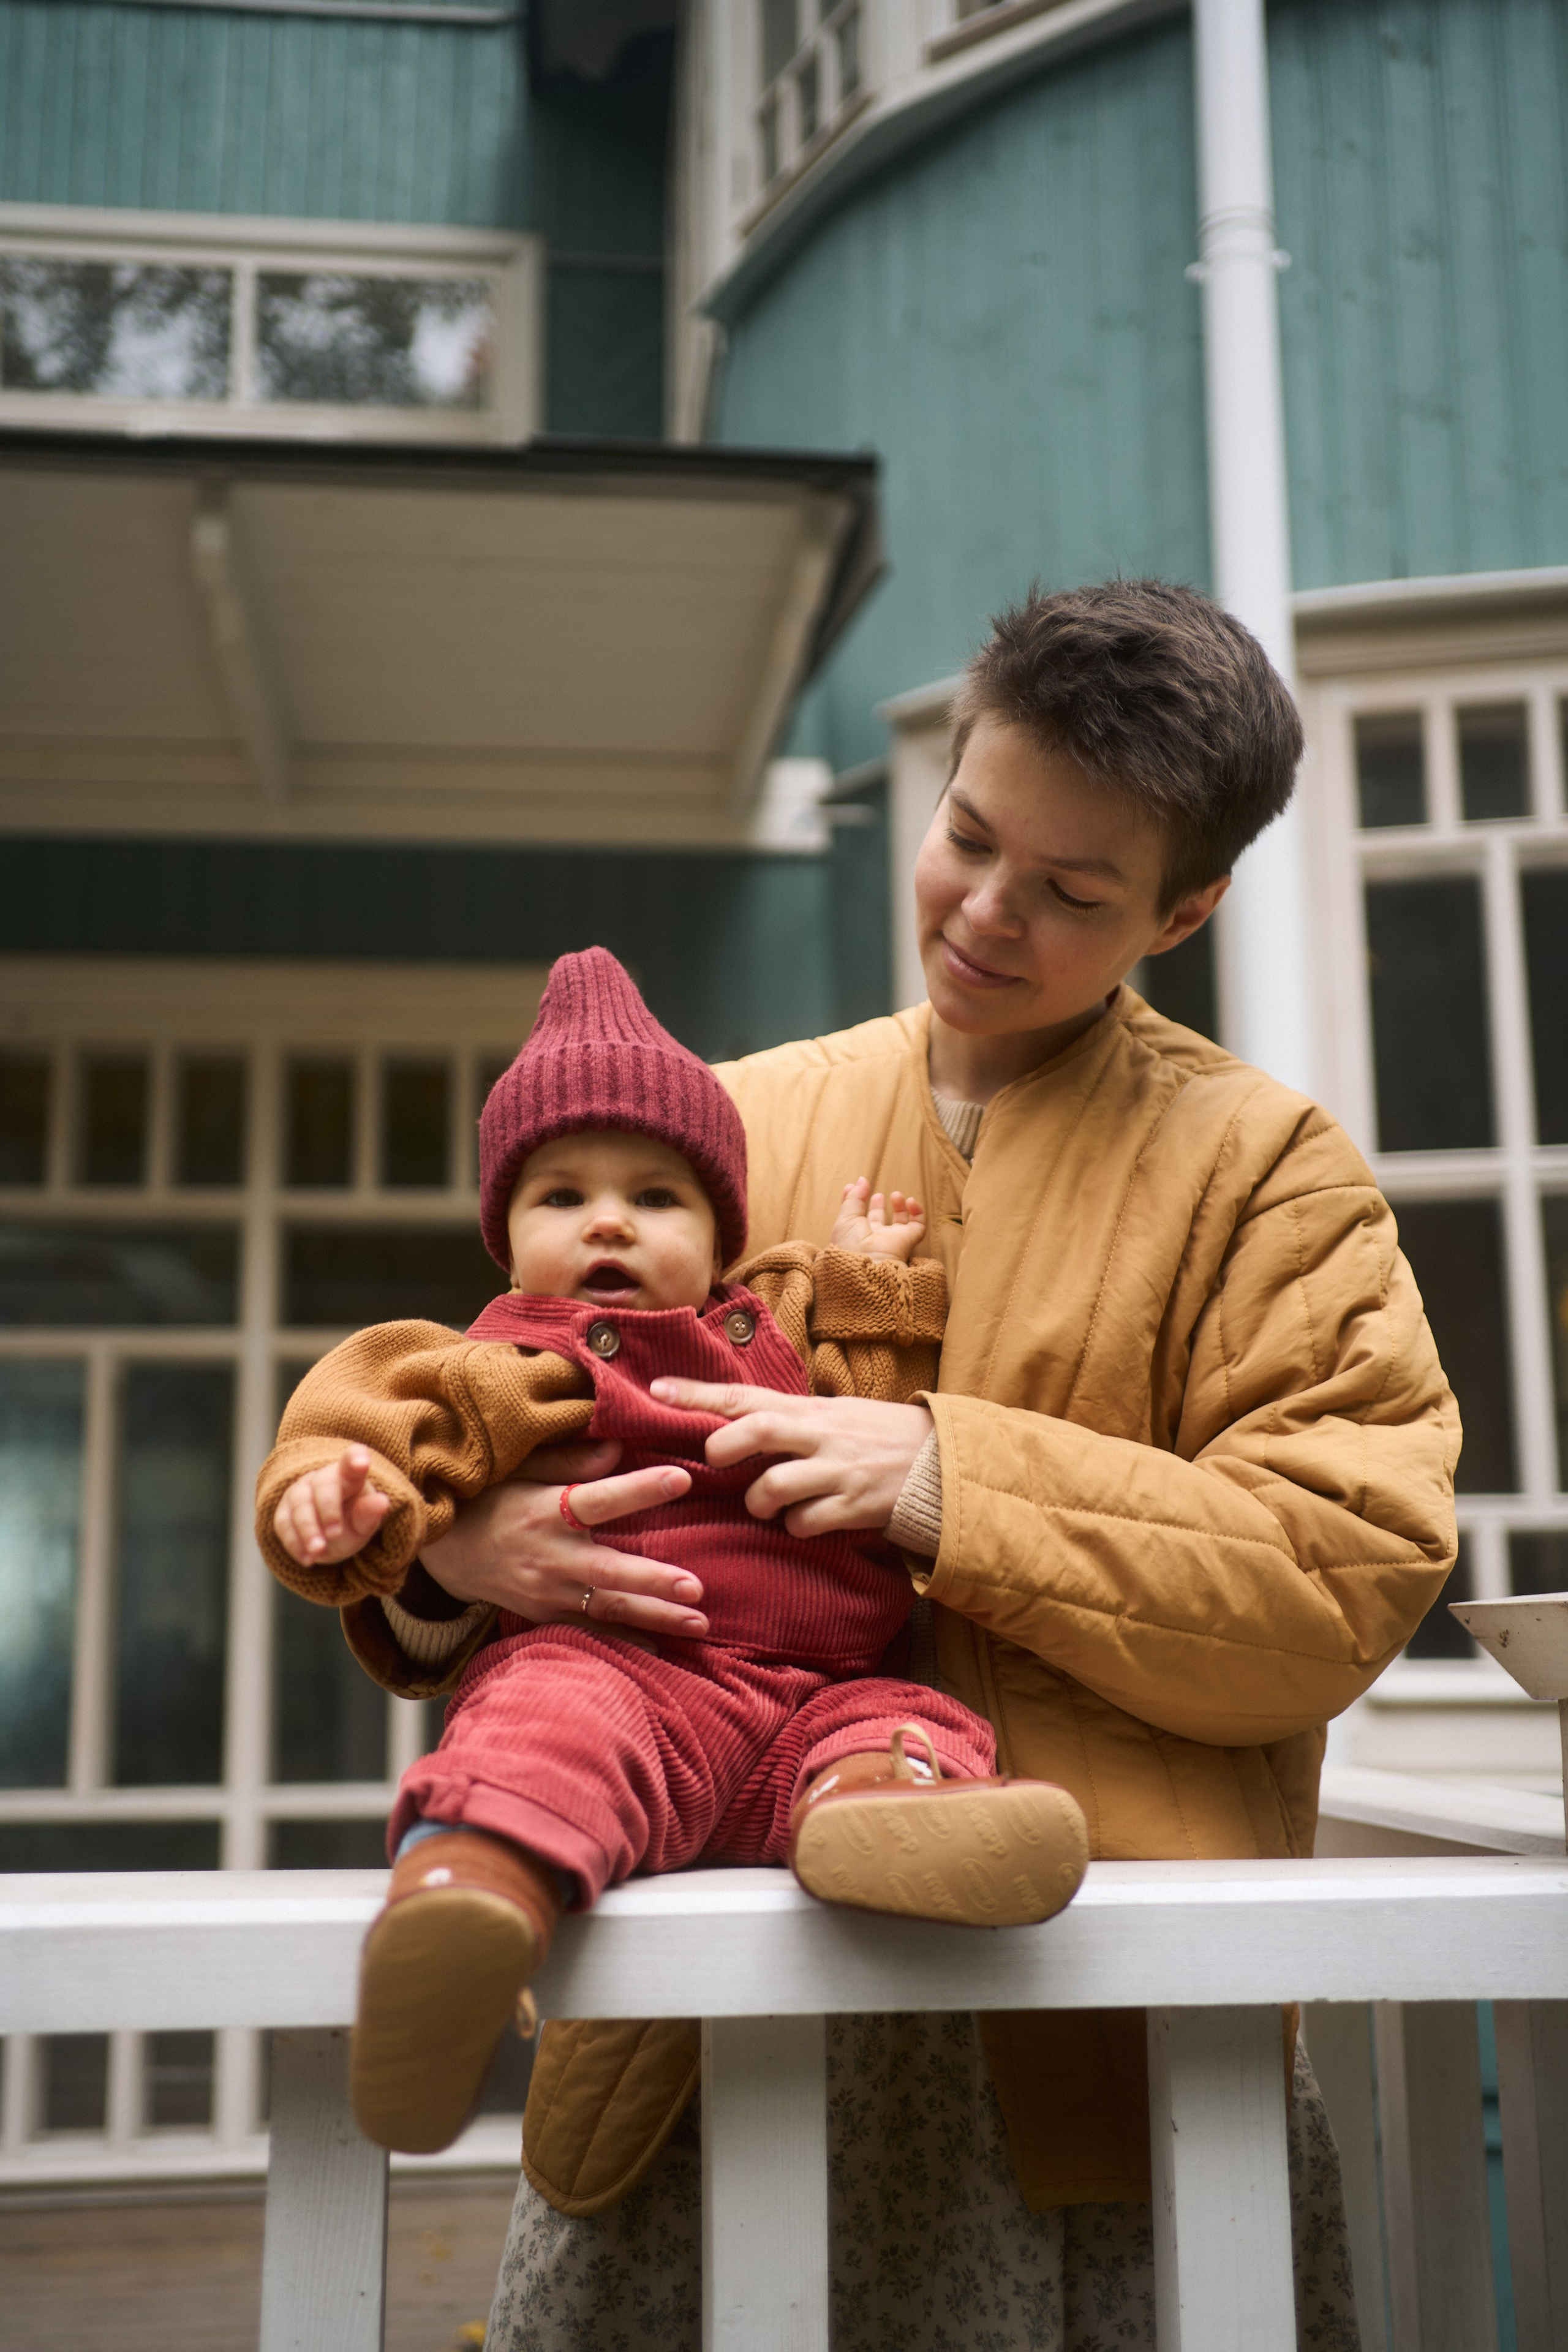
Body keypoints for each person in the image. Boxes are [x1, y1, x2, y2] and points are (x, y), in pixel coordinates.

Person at [412, 581, 1457, 2352]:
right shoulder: (710, 1130)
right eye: (968, 836)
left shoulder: (1269, 1175)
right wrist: (463, 1558)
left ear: (1186, 909)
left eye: (1071, 892)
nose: (984, 912)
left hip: (1108, 2034)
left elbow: (1337, 1576)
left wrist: (942, 1479)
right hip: (700, 2028)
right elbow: (472, 1415)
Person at [257, 947, 1088, 2158]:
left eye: (656, 1198)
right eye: (562, 1198)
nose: (609, 1220)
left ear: (718, 1235)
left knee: (908, 1715)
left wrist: (863, 1281)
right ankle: (468, 1899)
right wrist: (334, 1496)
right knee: (546, 1721)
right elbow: (367, 1421)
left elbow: (870, 1392)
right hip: (621, 1682)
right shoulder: (497, 1368)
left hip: (814, 1696)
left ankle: (880, 1812)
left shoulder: (773, 1324)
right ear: (505, 1242)